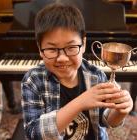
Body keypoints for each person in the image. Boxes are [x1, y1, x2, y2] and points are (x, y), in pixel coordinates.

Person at [21, 3, 133, 140]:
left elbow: (106, 121)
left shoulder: (96, 75)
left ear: (84, 44)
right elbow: (34, 133)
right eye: (51, 49)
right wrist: (80, 103)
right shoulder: (33, 80)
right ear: (40, 49)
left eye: (71, 47)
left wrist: (120, 111)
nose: (62, 58)